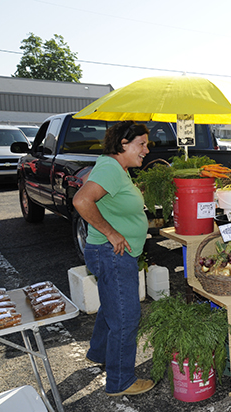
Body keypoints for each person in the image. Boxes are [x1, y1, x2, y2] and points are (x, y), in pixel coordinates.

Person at [73, 121, 155, 396]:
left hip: (113, 254)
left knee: (112, 306)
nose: (146, 149)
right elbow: (82, 200)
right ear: (123, 143)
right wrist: (111, 233)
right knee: (126, 318)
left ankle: (98, 352)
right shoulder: (110, 168)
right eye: (141, 144)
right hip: (113, 254)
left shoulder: (115, 168)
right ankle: (120, 381)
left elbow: (104, 198)